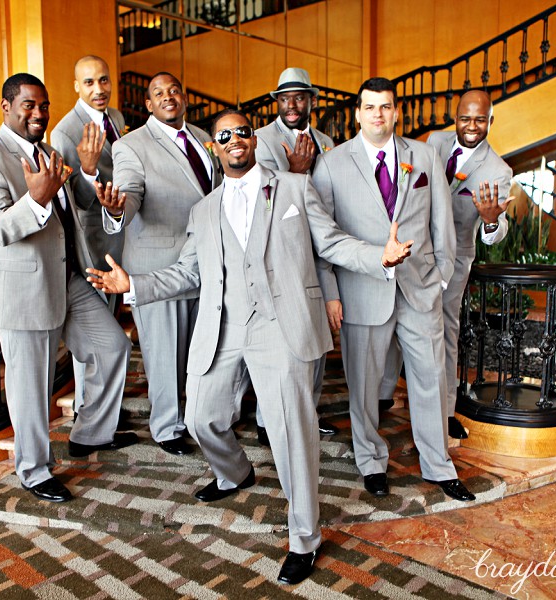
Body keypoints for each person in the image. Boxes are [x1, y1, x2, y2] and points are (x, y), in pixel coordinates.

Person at [87, 110, 413, 584]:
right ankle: (235, 472)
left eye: (243, 131)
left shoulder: (296, 191)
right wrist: (132, 283)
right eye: (225, 136)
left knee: (290, 435)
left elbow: (334, 244)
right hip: (223, 327)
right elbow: (188, 273)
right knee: (200, 416)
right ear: (216, 149)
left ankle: (305, 537)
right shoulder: (204, 210)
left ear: (254, 140)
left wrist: (378, 257)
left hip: (280, 329)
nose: (235, 139)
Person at [0, 73, 135, 504]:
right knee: (31, 384)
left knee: (112, 346)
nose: (39, 113)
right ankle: (34, 469)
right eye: (28, 106)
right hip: (24, 289)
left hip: (70, 275)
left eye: (44, 106)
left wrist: (91, 177)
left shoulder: (52, 152)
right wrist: (35, 200)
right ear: (7, 106)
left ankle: (89, 432)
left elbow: (74, 204)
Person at [310, 77, 476, 502]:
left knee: (432, 378)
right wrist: (330, 292)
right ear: (357, 113)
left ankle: (437, 462)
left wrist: (441, 277)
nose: (378, 115)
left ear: (396, 111)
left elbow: (442, 223)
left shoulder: (423, 156)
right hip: (362, 292)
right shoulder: (331, 164)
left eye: (385, 107)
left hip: (420, 290)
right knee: (363, 386)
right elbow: (324, 239)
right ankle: (371, 460)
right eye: (369, 107)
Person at [109, 72, 221, 456]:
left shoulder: (204, 138)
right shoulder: (131, 145)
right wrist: (118, 207)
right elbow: (130, 191)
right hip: (158, 264)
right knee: (165, 352)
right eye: (159, 93)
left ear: (184, 97)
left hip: (206, 261)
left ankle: (199, 415)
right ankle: (167, 426)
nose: (168, 97)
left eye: (174, 90)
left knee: (201, 348)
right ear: (149, 105)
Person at [253, 67, 338, 444]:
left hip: (320, 249)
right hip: (282, 251)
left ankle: (307, 411)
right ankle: (264, 418)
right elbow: (258, 198)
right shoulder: (259, 139)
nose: (291, 105)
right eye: (284, 98)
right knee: (281, 338)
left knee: (316, 336)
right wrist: (294, 172)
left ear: (311, 101)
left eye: (299, 98)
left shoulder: (327, 141)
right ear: (277, 103)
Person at [425, 89, 513, 439]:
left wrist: (490, 221)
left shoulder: (497, 169)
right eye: (465, 118)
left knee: (446, 333)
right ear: (455, 117)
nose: (471, 126)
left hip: (454, 261)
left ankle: (446, 411)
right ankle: (387, 395)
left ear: (490, 121)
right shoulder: (433, 142)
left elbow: (497, 228)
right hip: (414, 255)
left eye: (480, 119)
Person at [50, 55, 126, 417]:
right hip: (91, 245)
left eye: (104, 80)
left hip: (120, 237)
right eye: (90, 82)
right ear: (76, 87)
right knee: (94, 337)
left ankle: (103, 409)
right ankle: (86, 410)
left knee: (111, 332)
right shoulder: (65, 132)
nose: (99, 89)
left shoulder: (118, 119)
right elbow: (74, 199)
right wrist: (90, 168)